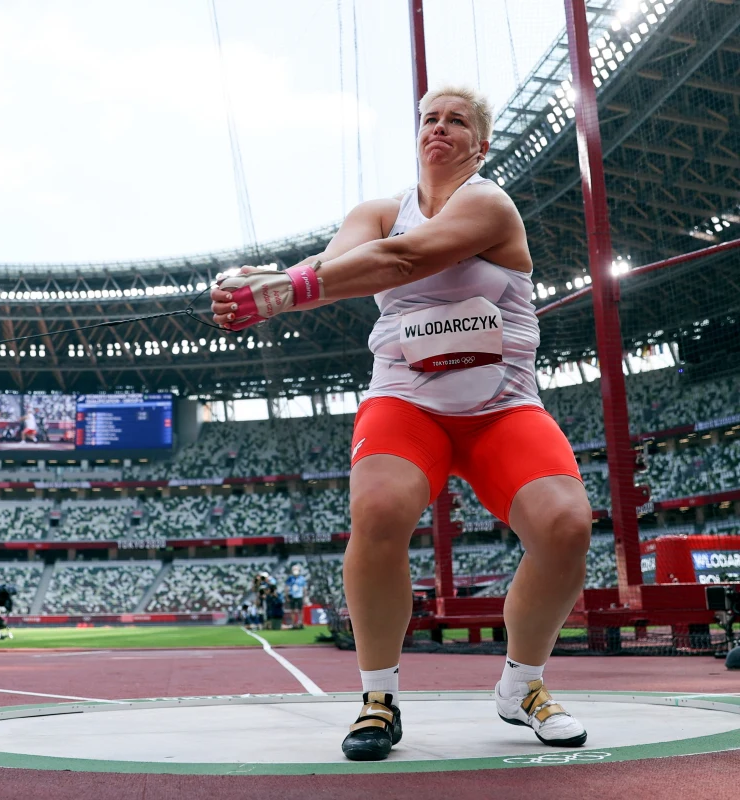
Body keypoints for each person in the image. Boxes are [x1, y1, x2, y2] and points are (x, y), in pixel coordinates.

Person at [212, 85, 591, 761]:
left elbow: (403, 261)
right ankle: (378, 698)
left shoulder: (488, 202)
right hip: (406, 400)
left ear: (481, 144)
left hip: (501, 407)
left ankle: (523, 685)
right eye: (429, 119)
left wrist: (286, 290)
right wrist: (258, 284)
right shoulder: (379, 210)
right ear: (416, 134)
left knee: (566, 526)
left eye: (458, 121)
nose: (440, 128)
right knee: (380, 508)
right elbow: (329, 267)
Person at [284, 564, 307, 629]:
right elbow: (286, 587)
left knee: (300, 610)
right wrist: (287, 596)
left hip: (299, 596)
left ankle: (301, 623)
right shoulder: (290, 578)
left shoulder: (302, 578)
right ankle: (294, 623)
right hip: (292, 595)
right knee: (292, 610)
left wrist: (304, 597)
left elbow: (304, 588)